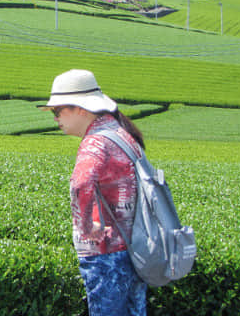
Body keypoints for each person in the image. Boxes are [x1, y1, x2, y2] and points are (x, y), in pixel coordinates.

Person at [39, 69, 147, 316]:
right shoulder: (122, 134)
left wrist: (87, 228)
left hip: (106, 253)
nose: (56, 118)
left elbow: (80, 183)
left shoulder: (96, 142)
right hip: (135, 249)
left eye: (58, 111)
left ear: (81, 109)